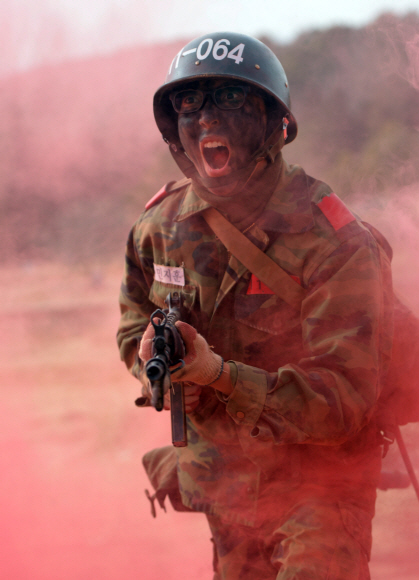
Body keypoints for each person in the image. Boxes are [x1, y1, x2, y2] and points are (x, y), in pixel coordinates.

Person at [117, 32, 393, 580]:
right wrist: (160, 368)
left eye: (232, 98)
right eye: (190, 103)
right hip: (227, 488)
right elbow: (132, 329)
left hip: (322, 489)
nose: (208, 119)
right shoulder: (159, 229)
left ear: (275, 124)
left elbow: (343, 399)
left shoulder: (333, 238)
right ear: (175, 129)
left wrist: (219, 375)